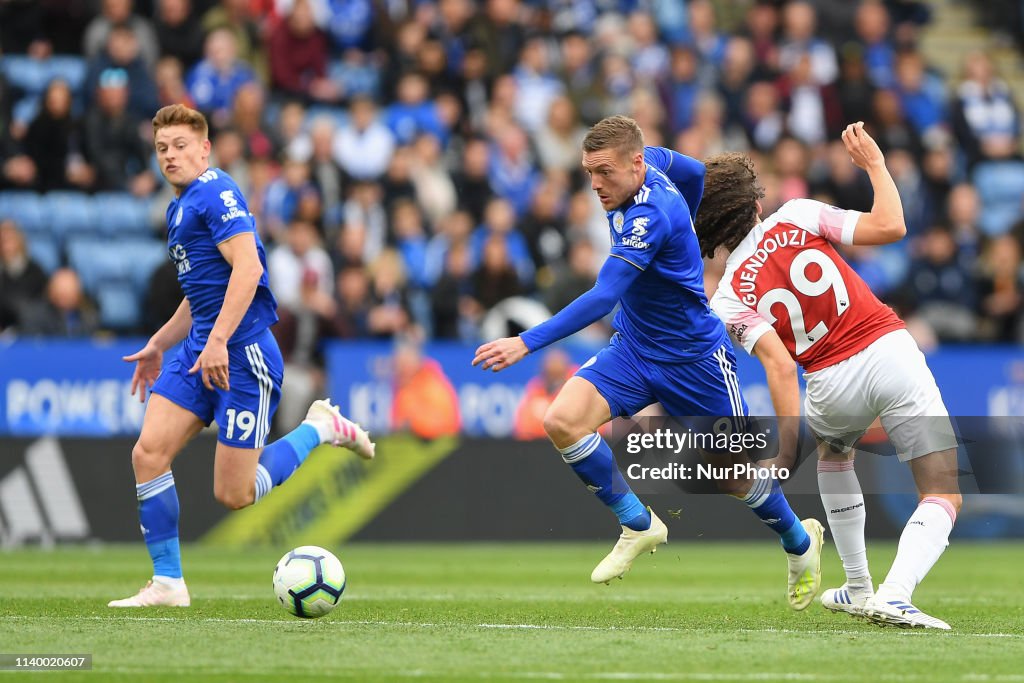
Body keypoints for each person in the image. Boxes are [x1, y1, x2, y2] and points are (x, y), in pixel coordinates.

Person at [473, 116, 823, 609]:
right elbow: (698, 176)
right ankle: (638, 523)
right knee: (562, 421)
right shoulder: (651, 161)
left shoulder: (650, 216)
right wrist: (689, 245)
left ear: (634, 164)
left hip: (695, 359)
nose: (595, 184)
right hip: (635, 348)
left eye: (604, 173)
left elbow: (602, 297)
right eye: (588, 172)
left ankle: (800, 544)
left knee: (730, 475)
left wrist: (526, 343)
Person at [109, 104, 375, 608]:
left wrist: (216, 342)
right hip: (198, 350)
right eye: (162, 148)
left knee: (234, 495)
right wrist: (161, 343)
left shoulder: (215, 190)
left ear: (204, 148)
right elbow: (201, 291)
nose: (170, 156)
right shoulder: (179, 206)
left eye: (181, 145)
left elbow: (248, 268)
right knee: (148, 454)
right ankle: (168, 583)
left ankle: (319, 427)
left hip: (243, 354)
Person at [701, 122, 961, 629]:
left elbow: (779, 364)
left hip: (826, 380)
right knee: (942, 490)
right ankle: (896, 593)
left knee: (834, 454)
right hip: (886, 349)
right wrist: (876, 166)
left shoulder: (726, 297)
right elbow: (891, 227)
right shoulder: (796, 215)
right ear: (755, 203)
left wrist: (783, 450)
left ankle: (859, 587)